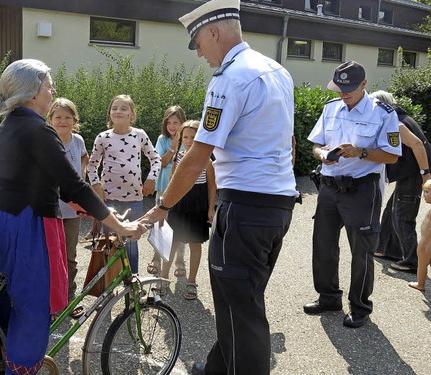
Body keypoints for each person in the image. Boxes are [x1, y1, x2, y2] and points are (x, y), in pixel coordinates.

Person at [140, 0, 299, 373]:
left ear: (213, 33)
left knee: (241, 312)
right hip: (277, 204)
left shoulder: (230, 77)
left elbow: (197, 155)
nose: (199, 54)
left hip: (244, 206)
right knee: (240, 300)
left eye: (197, 43)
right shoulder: (277, 70)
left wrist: (162, 206)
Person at [0, 59, 146, 374]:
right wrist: (118, 224)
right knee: (32, 307)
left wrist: (80, 204)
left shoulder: (11, 122)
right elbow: (73, 183)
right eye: (48, 85)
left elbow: (38, 177)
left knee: (3, 300)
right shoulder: (39, 129)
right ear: (33, 92)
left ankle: (2, 358)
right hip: (27, 225)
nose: (52, 90)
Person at [305, 61, 401, 329]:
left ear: (364, 84)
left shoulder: (383, 113)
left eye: (348, 88)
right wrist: (324, 155)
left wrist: (360, 152)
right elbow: (315, 145)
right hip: (329, 185)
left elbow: (392, 156)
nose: (343, 94)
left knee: (362, 251)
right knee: (323, 245)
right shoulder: (330, 109)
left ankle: (359, 307)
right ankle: (328, 297)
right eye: (339, 88)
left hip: (361, 189)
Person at [87, 94, 161, 273]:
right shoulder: (103, 137)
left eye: (123, 108)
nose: (118, 111)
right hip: (109, 200)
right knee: (110, 243)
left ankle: (132, 283)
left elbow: (156, 159)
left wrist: (152, 178)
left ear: (132, 115)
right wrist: (96, 187)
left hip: (134, 200)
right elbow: (91, 166)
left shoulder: (139, 135)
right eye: (114, 108)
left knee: (131, 244)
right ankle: (109, 284)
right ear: (109, 114)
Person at [370, 90, 431, 273]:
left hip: (413, 173)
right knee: (391, 211)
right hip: (409, 173)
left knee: (403, 215)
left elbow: (418, 145)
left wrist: (425, 175)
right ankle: (387, 249)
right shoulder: (399, 116)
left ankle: (413, 260)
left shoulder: (396, 122)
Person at [159, 120, 216, 300]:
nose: (189, 141)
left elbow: (212, 187)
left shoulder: (207, 160)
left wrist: (210, 208)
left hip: (198, 203)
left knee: (195, 243)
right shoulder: (178, 157)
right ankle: (163, 278)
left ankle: (191, 281)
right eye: (186, 137)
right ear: (180, 139)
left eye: (194, 137)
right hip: (179, 202)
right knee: (172, 242)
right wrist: (165, 205)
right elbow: (173, 181)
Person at [47, 97, 89, 319]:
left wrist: (82, 174)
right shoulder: (47, 139)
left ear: (75, 120)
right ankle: (53, 302)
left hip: (73, 211)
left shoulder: (78, 140)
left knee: (70, 257)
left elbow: (84, 157)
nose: (63, 121)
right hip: (51, 209)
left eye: (67, 117)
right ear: (50, 119)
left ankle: (69, 298)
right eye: (58, 117)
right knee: (52, 257)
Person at [147, 105, 186, 277]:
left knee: (180, 224)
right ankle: (156, 257)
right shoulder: (162, 140)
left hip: (182, 188)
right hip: (163, 186)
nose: (172, 126)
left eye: (176, 122)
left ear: (182, 123)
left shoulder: (189, 138)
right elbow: (160, 163)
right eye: (169, 122)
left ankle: (180, 260)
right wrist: (174, 146)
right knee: (160, 223)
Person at [408, 179, 431, 292]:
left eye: (427, 192)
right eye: (424, 191)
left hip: (426, 245)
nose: (424, 195)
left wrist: (422, 245)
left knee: (422, 264)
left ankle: (420, 284)